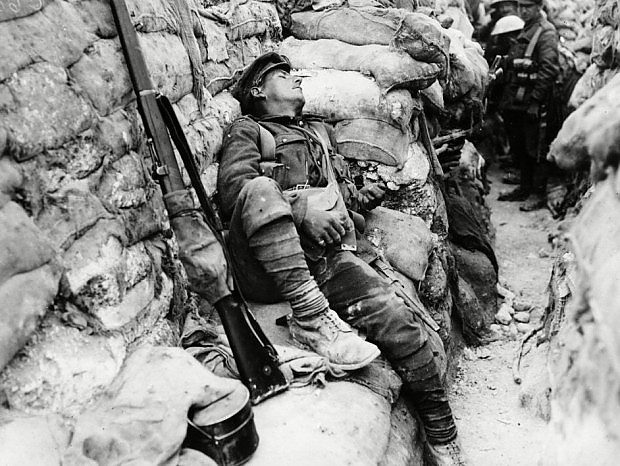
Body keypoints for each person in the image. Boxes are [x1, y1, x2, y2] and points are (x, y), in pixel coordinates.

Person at [217, 52, 468, 465]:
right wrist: (301, 212)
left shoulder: (317, 133)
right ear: (258, 90)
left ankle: (442, 435)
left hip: (323, 258)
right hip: (263, 263)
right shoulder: (249, 131)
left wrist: (359, 199)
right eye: (283, 74)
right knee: (259, 189)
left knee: (397, 317)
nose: (295, 78)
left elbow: (336, 199)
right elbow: (235, 194)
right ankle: (310, 317)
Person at [497, 0, 559, 211]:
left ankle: (537, 193)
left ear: (538, 7)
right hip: (518, 100)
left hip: (535, 100)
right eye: (521, 7)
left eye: (528, 7)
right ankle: (524, 188)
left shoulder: (546, 32)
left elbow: (549, 69)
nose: (523, 11)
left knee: (537, 148)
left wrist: (536, 101)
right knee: (522, 147)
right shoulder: (527, 28)